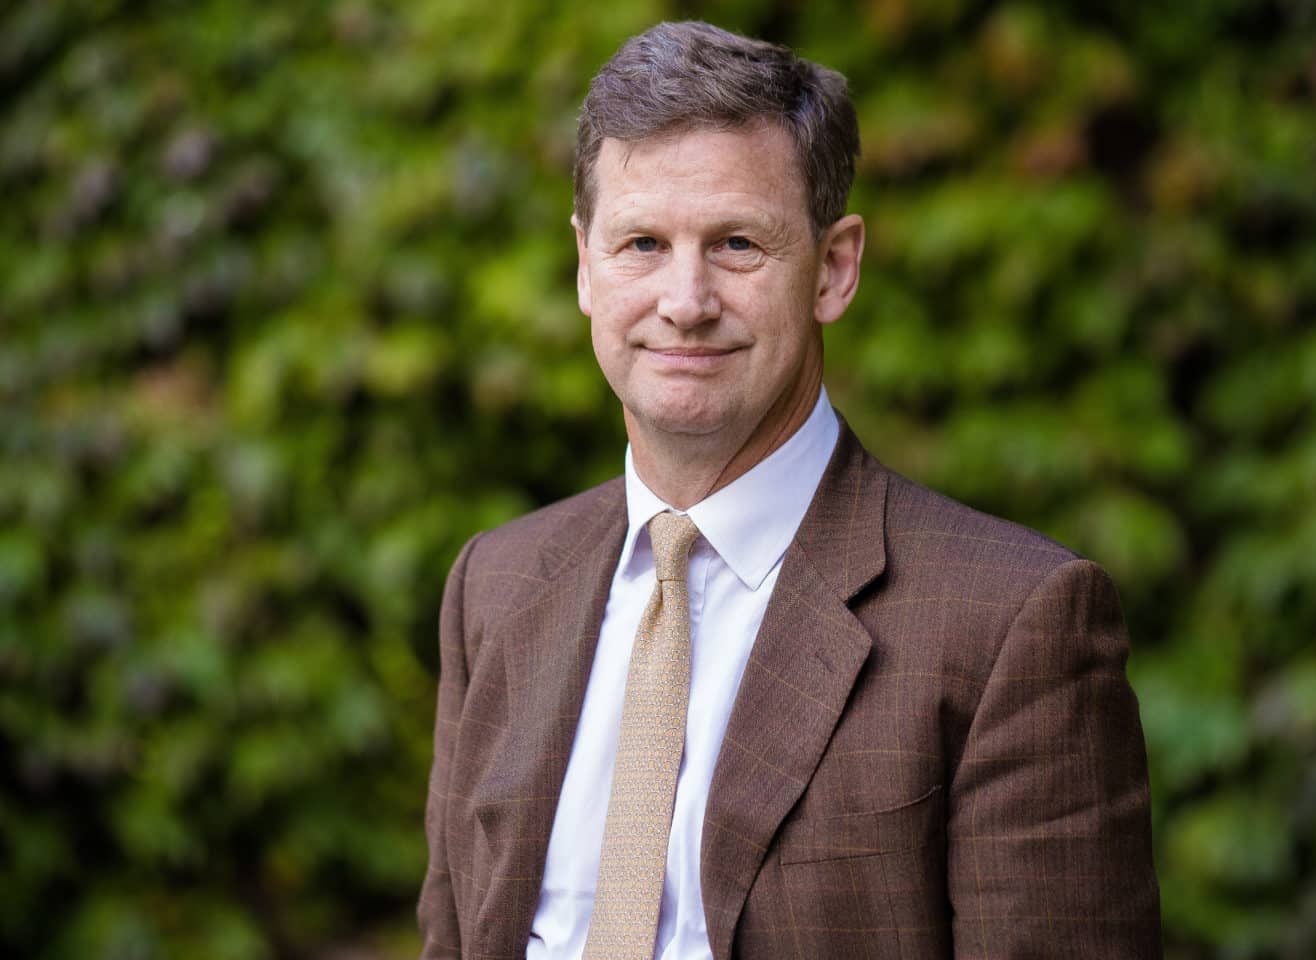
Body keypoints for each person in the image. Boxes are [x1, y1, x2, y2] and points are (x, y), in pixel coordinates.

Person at [418, 20, 1161, 960]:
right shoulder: (497, 585)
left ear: (835, 269)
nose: (685, 302)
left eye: (736, 244)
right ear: (583, 265)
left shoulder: (1012, 625)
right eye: (641, 243)